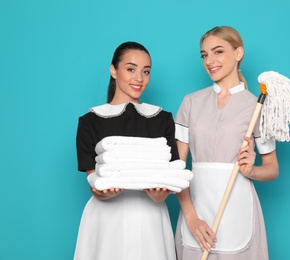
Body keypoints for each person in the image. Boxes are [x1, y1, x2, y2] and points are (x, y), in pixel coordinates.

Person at [174, 26, 279, 259]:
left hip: (237, 210)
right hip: (196, 208)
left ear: (238, 53)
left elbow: (272, 168)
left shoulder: (257, 107)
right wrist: (192, 219)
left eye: (218, 51)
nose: (209, 61)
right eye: (204, 55)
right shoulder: (190, 103)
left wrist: (251, 170)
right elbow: (177, 168)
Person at [74, 41, 179, 260]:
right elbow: (93, 178)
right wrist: (100, 192)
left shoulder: (163, 119)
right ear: (114, 70)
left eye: (146, 71)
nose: (139, 78)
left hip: (151, 216)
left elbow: (170, 175)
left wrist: (161, 195)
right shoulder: (90, 121)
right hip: (105, 219)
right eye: (131, 69)